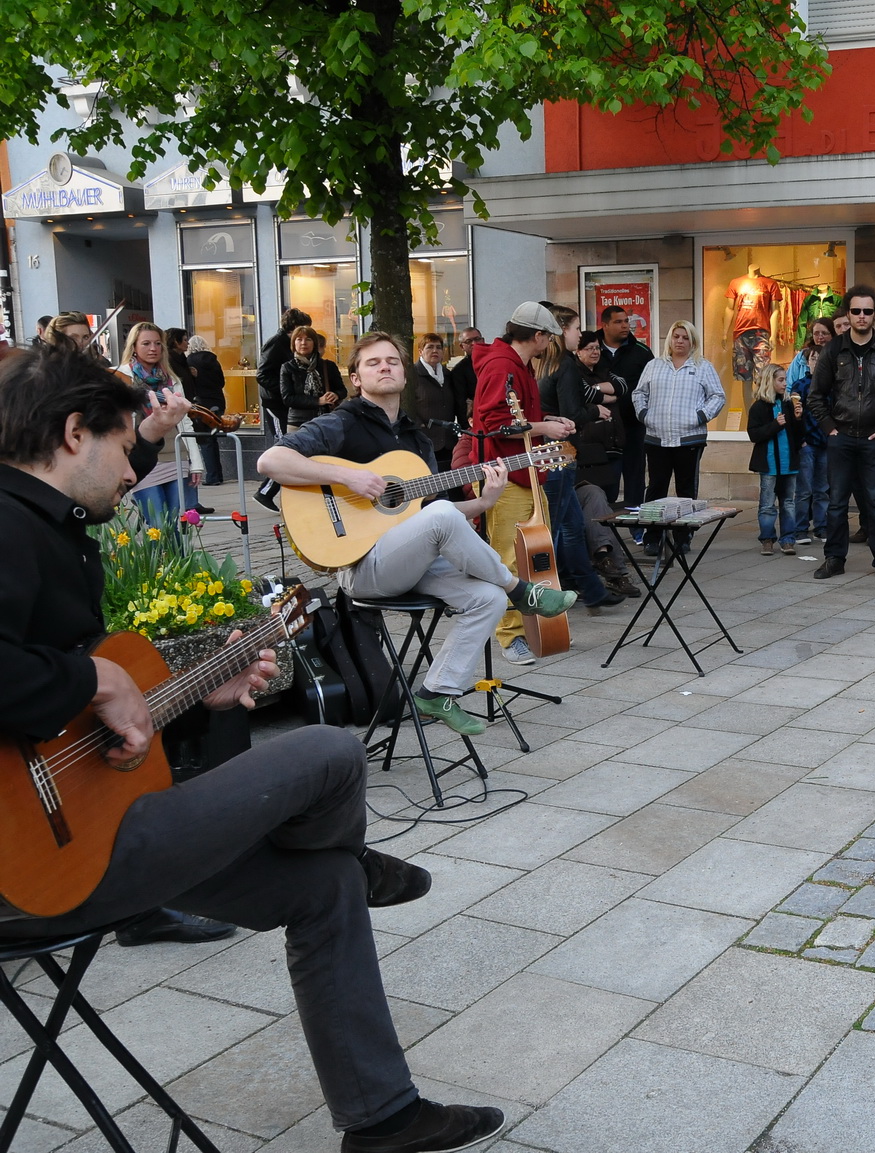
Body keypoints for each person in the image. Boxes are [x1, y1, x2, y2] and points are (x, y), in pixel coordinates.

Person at [1, 342, 509, 1153]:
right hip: (35, 869)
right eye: (124, 444)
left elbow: (96, 735)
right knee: (332, 754)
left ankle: (381, 1117)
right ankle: (352, 850)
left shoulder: (52, 530)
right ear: (72, 434)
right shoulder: (7, 525)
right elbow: (64, 684)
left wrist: (193, 699)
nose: (134, 472)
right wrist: (95, 682)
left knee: (325, 886)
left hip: (95, 830)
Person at [262, 331, 575, 720]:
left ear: (405, 374)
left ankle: (436, 691)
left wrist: (483, 502)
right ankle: (520, 590)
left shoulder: (416, 438)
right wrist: (348, 479)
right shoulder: (342, 422)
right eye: (372, 362)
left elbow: (430, 516)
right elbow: (270, 462)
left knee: (487, 599)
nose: (385, 367)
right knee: (459, 540)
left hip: (411, 562)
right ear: (356, 378)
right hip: (362, 565)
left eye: (392, 361)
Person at [470, 303, 586, 666]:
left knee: (534, 555)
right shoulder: (502, 365)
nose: (549, 343)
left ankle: (535, 629)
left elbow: (515, 419)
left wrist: (546, 421)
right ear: (537, 336)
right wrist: (545, 429)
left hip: (523, 472)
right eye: (548, 337)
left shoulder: (516, 364)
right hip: (504, 477)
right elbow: (492, 423)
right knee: (509, 558)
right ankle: (510, 636)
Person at [808, 285, 875, 582]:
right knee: (837, 501)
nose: (861, 316)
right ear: (848, 314)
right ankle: (834, 558)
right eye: (856, 311)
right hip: (841, 438)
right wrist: (831, 429)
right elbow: (816, 396)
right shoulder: (833, 349)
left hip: (872, 438)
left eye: (867, 311)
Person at [531, 307, 626, 615]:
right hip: (557, 455)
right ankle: (549, 592)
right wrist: (595, 412)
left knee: (570, 525)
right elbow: (572, 412)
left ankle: (591, 589)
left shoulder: (546, 364)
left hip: (556, 454)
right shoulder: (564, 365)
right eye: (575, 329)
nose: (581, 335)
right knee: (557, 528)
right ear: (561, 331)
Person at [633, 319, 726, 554]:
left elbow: (717, 396)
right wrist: (645, 414)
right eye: (676, 337)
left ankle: (683, 537)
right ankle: (652, 537)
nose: (680, 341)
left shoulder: (703, 366)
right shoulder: (654, 365)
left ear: (692, 341)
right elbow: (638, 393)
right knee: (656, 489)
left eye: (685, 337)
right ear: (670, 339)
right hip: (657, 438)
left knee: (686, 490)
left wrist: (700, 416)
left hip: (689, 439)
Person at [115, 321, 200, 526]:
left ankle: (177, 560)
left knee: (174, 524)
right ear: (133, 346)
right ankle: (162, 558)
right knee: (157, 524)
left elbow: (185, 421)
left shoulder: (171, 379)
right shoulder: (122, 376)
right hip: (142, 458)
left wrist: (196, 462)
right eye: (145, 343)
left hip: (176, 456)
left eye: (157, 343)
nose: (153, 348)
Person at [786, 315, 838, 544]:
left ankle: (822, 527)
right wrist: (801, 440)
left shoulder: (832, 385)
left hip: (826, 442)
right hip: (807, 444)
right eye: (813, 359)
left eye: (820, 358)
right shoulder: (800, 386)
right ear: (808, 362)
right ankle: (799, 529)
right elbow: (795, 415)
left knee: (822, 489)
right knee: (804, 489)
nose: (817, 362)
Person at [598, 305, 654, 508]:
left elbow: (651, 388)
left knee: (635, 477)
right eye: (618, 322)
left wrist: (645, 414)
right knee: (605, 481)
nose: (625, 326)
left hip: (632, 425)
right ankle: (605, 528)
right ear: (604, 325)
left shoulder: (641, 352)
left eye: (626, 321)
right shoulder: (591, 348)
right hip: (600, 427)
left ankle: (636, 527)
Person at [748, 362, 800, 555]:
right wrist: (775, 425)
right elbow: (754, 434)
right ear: (770, 381)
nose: (785, 383)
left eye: (785, 379)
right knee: (767, 504)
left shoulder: (788, 404)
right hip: (769, 464)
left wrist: (798, 418)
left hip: (789, 463)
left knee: (788, 503)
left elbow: (798, 435)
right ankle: (767, 538)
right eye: (781, 380)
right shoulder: (759, 407)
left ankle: (788, 539)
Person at [410, 333, 464, 471]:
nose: (435, 351)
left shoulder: (448, 375)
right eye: (430, 347)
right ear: (420, 351)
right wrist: (419, 425)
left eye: (439, 347)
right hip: (424, 441)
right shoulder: (412, 375)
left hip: (448, 440)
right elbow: (406, 406)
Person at [258, 307, 312, 439]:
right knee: (283, 440)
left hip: (286, 402)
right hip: (276, 403)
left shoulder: (288, 343)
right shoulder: (276, 343)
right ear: (294, 327)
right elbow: (262, 375)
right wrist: (285, 389)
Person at [184, 335, 229, 488]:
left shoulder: (189, 361)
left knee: (205, 440)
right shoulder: (214, 361)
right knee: (212, 439)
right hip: (217, 401)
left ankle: (212, 476)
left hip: (201, 403)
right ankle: (218, 474)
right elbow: (221, 382)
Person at [280, 325, 345, 431]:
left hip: (326, 421)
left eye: (308, 339)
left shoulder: (328, 366)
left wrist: (336, 395)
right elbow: (288, 398)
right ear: (293, 343)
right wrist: (318, 401)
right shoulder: (288, 367)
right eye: (299, 339)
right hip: (298, 423)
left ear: (314, 343)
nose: (303, 343)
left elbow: (342, 390)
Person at [447, 327, 484, 425]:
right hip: (475, 421)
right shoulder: (459, 371)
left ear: (483, 340)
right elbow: (461, 403)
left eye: (477, 339)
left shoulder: (495, 362)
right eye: (469, 341)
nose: (474, 343)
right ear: (462, 346)